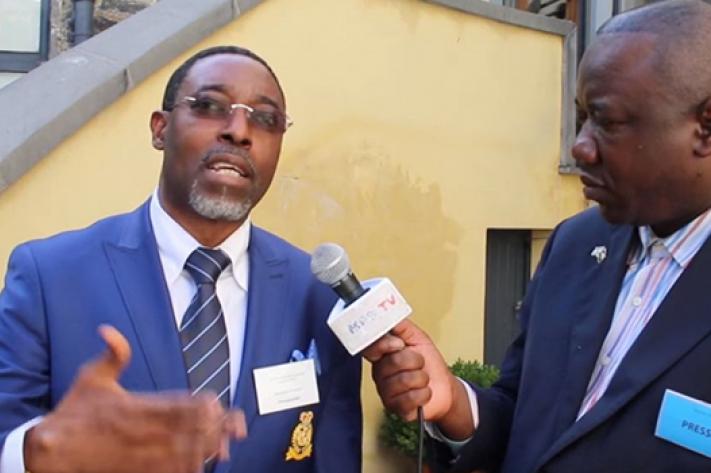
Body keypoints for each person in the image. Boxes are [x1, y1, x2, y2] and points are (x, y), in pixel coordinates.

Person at [365, 1, 711, 471]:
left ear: (705, 128)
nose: (579, 146)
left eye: (608, 123)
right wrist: (452, 401)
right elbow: (523, 414)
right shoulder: (574, 244)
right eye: (582, 119)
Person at [0, 45, 362, 473]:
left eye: (266, 119)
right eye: (210, 106)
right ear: (160, 129)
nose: (239, 131)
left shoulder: (318, 295)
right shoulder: (49, 276)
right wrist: (37, 450)